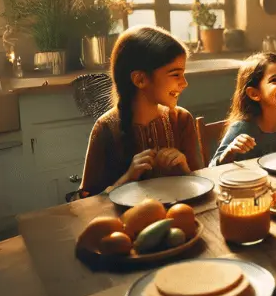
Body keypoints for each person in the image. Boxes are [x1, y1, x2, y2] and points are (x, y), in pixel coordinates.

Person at [77, 25, 203, 198]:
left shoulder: (182, 120)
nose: (184, 83)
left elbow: (202, 184)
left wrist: (184, 168)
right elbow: (86, 201)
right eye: (175, 74)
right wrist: (128, 177)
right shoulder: (105, 129)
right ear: (140, 79)